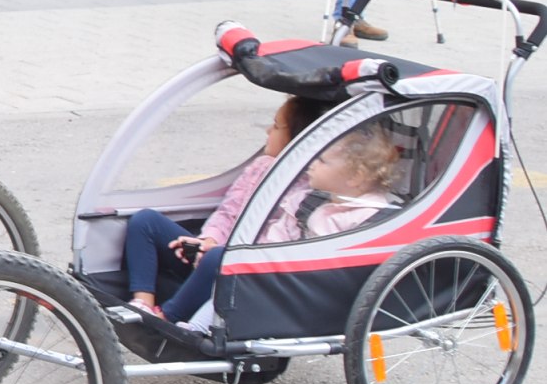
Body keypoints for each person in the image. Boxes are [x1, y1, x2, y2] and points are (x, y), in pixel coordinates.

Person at [148, 119, 402, 336]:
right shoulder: (312, 201)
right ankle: (194, 329)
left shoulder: (366, 218)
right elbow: (277, 234)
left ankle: (171, 317)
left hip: (305, 286)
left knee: (223, 264)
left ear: (355, 177)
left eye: (322, 160)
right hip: (280, 271)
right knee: (225, 269)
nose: (313, 162)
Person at [123, 97, 319, 317]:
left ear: (297, 139)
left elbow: (273, 243)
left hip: (241, 271)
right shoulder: (260, 167)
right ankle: (143, 302)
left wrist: (217, 250)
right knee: (145, 221)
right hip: (213, 254)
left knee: (218, 258)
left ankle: (166, 317)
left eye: (275, 126)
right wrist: (208, 240)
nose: (267, 131)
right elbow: (228, 211)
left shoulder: (306, 189)